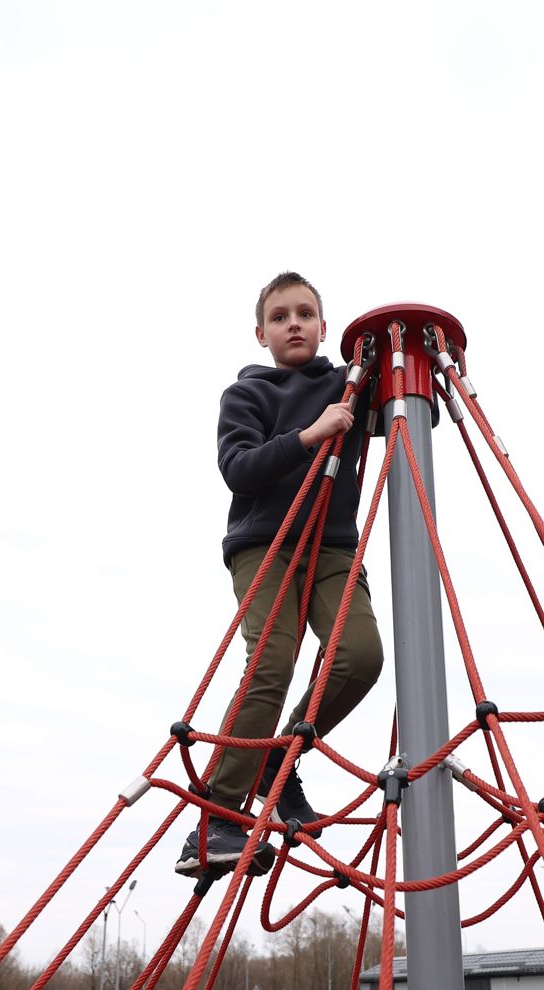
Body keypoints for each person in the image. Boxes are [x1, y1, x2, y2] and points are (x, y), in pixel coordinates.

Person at [175, 272, 385, 878]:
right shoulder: (248, 395)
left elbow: (405, 416)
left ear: (325, 328)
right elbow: (239, 468)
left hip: (333, 546)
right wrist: (310, 435)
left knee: (360, 654)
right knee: (272, 657)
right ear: (261, 333)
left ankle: (278, 756)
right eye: (279, 316)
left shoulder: (349, 385)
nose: (293, 323)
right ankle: (217, 815)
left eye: (305, 313)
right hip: (264, 544)